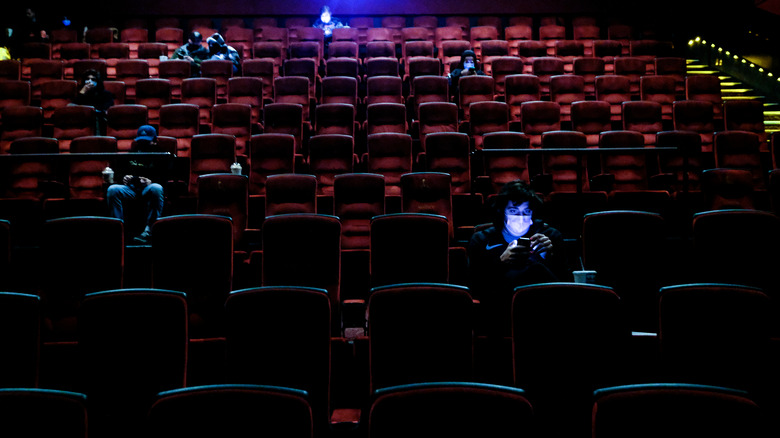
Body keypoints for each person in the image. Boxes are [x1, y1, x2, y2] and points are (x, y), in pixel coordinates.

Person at [467, 180, 568, 335]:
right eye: (514, 211)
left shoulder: (550, 237)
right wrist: (501, 262)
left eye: (526, 212)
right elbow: (476, 286)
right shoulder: (481, 240)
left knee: (536, 270)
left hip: (546, 307)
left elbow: (566, 283)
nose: (520, 218)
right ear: (502, 212)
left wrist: (550, 256)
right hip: (501, 309)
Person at [106, 125, 165, 244]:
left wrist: (150, 181)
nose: (143, 144)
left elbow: (165, 178)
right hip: (132, 188)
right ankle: (118, 230)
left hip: (149, 188)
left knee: (156, 188)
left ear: (154, 141)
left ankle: (149, 230)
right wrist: (124, 178)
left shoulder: (161, 154)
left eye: (147, 141)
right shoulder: (132, 153)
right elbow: (120, 173)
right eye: (141, 141)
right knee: (113, 189)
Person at [72, 69, 114, 135]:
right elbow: (73, 106)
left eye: (93, 79)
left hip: (99, 120)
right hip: (82, 121)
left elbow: (106, 108)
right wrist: (83, 90)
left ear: (98, 82)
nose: (89, 81)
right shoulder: (82, 94)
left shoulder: (106, 94)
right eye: (87, 79)